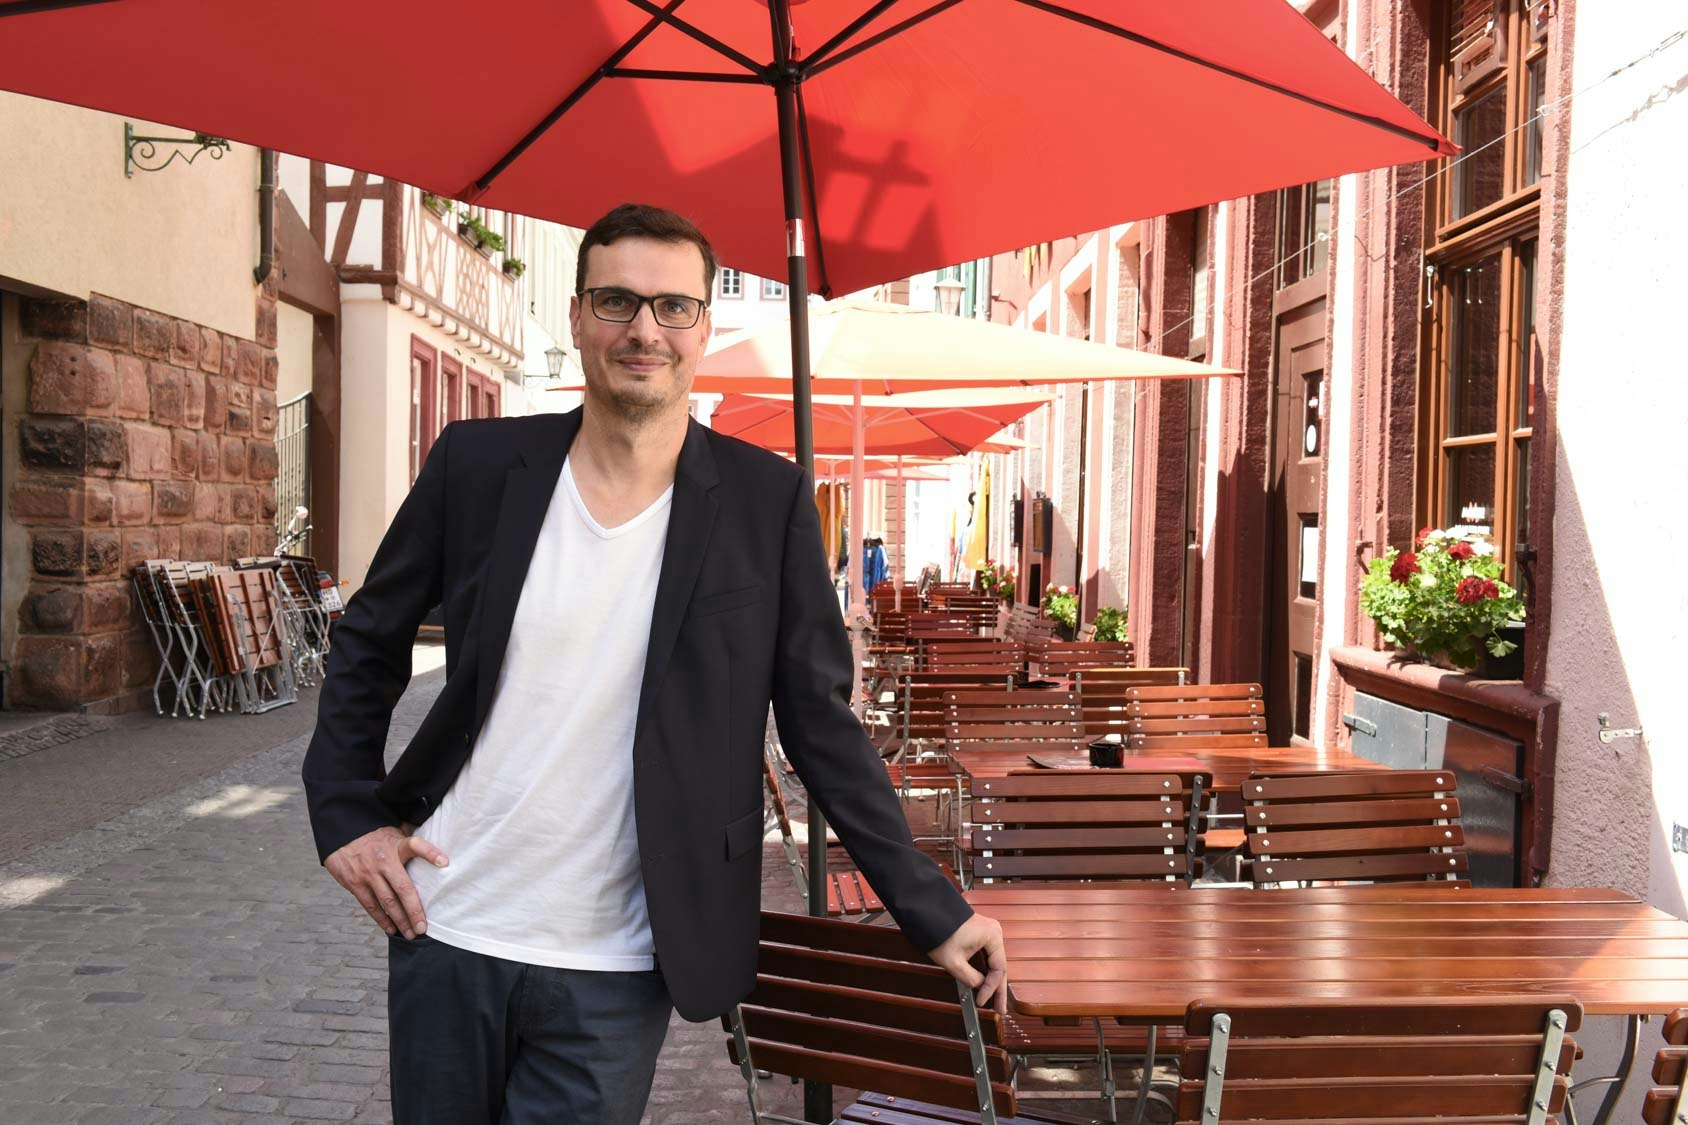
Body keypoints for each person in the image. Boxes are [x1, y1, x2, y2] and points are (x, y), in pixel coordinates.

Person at [301, 202, 1006, 1125]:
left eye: (674, 306)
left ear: (705, 327)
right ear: (576, 315)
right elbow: (369, 638)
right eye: (618, 301)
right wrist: (346, 811)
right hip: (449, 924)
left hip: (621, 958)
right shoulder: (478, 465)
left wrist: (931, 904)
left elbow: (819, 724)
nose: (645, 329)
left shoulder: (767, 503)